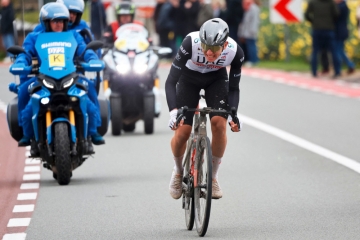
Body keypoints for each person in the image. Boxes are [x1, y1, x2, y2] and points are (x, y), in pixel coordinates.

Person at [165, 18, 244, 199]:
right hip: (188, 79)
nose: (208, 52)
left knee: (219, 124)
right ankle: (177, 171)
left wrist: (233, 114)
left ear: (224, 45)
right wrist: (173, 112)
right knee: (183, 131)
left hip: (216, 79)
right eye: (205, 46)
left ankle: (213, 178)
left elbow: (233, 88)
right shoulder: (189, 43)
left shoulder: (235, 52)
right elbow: (171, 81)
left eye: (214, 48)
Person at [10, 2, 104, 147]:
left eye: (62, 21)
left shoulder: (73, 35)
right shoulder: (34, 37)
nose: (59, 24)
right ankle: (26, 133)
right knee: (23, 91)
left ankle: (93, 131)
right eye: (55, 21)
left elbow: (84, 50)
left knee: (89, 89)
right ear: (46, 22)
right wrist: (21, 63)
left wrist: (92, 59)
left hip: (70, 77)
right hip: (42, 78)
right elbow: (26, 54)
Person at [305, 0, 340, 78]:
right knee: (333, 51)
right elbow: (336, 14)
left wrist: (313, 21)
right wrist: (330, 21)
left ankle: (314, 72)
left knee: (315, 51)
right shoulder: (331, 2)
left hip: (317, 29)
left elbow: (306, 14)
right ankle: (337, 71)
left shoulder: (313, 2)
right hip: (329, 29)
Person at [237, 0, 260, 67]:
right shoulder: (248, 7)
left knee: (251, 46)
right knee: (248, 46)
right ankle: (250, 60)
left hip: (251, 31)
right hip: (247, 31)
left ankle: (253, 60)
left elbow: (254, 21)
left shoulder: (254, 8)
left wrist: (252, 30)